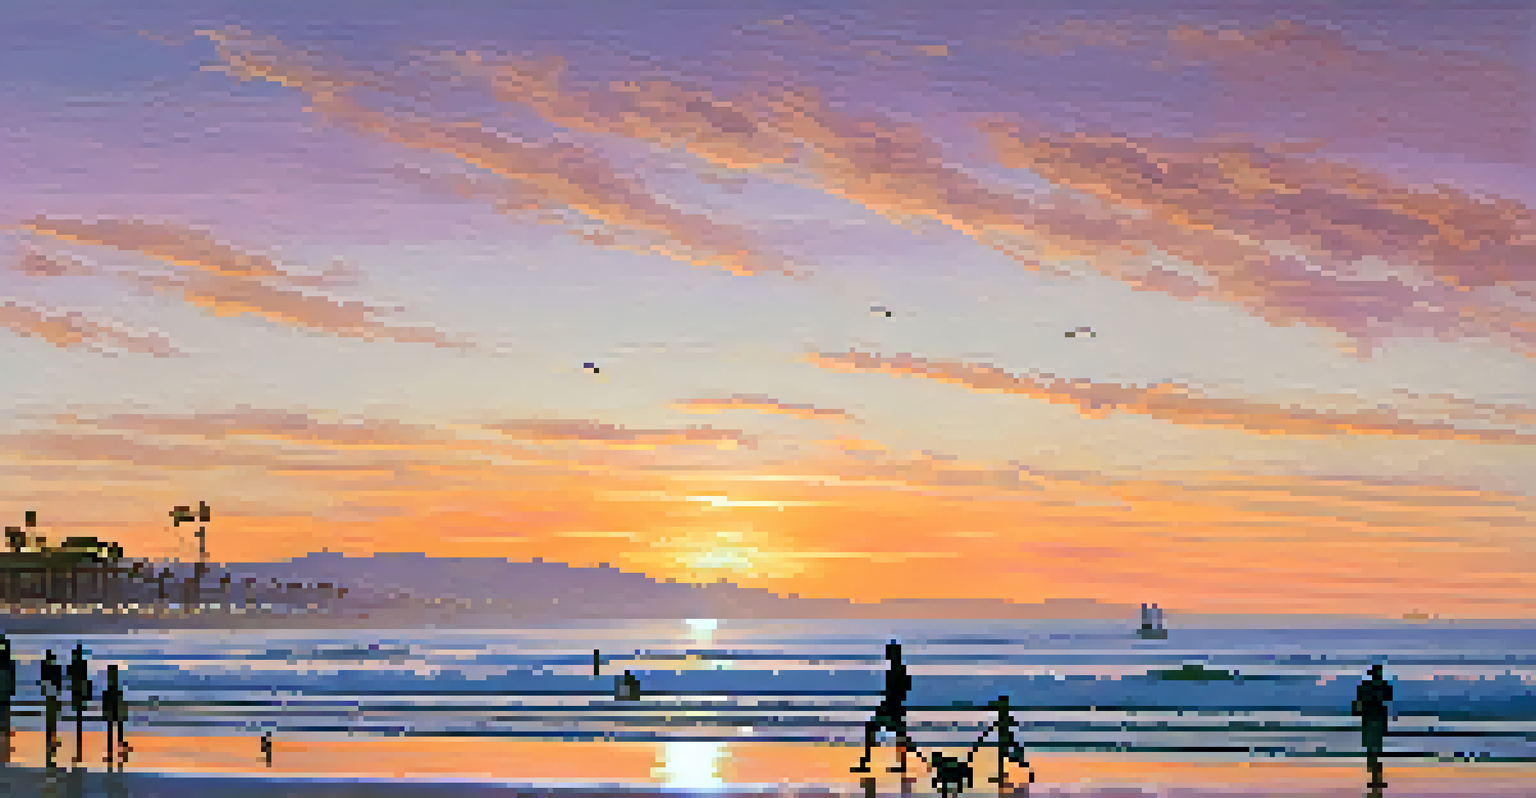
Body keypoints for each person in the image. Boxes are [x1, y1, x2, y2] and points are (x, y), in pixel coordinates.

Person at [851, 642, 916, 774]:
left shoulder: (895, 670)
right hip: (894, 706)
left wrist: (887, 706)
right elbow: (904, 688)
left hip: (892, 707)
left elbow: (895, 691)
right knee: (899, 734)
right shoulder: (898, 669)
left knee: (875, 729)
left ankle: (867, 761)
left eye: (890, 653)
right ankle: (899, 764)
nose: (888, 655)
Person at [1353, 663, 1393, 788]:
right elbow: (1386, 698)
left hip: (1370, 719)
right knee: (1374, 749)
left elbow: (1357, 704)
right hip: (1374, 719)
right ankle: (1376, 775)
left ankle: (1375, 775)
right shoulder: (1381, 686)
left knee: (1372, 749)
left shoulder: (1367, 687)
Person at [102, 664, 125, 770]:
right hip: (114, 704)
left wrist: (105, 711)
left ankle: (114, 752)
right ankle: (118, 751)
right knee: (115, 731)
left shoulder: (110, 690)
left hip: (112, 704)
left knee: (112, 731)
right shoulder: (114, 690)